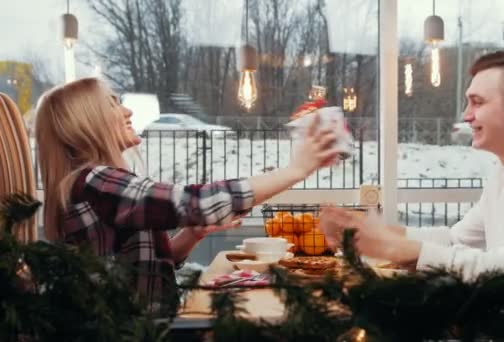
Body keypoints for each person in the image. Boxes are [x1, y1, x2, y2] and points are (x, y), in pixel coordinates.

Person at [35, 77, 340, 312]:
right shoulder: (96, 182)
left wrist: (190, 236)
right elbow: (193, 203)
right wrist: (294, 170)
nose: (127, 110)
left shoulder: (97, 183)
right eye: (113, 104)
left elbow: (140, 266)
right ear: (86, 123)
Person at [320, 50, 504, 281]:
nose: (466, 115)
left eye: (477, 102)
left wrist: (400, 248)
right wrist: (377, 234)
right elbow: (456, 240)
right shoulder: (503, 174)